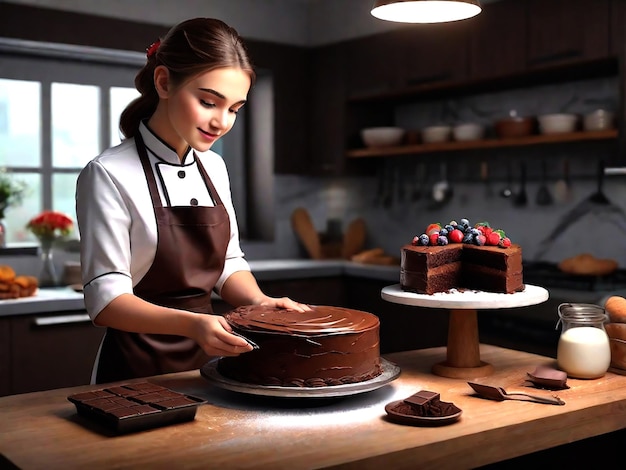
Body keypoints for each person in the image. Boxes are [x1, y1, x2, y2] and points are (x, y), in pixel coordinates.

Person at [76, 17, 310, 384]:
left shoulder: (214, 167)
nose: (221, 122)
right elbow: (105, 301)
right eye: (208, 102)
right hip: (133, 370)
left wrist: (259, 301)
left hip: (209, 366)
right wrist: (192, 325)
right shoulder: (108, 173)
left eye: (234, 108)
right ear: (164, 82)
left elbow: (227, 263)